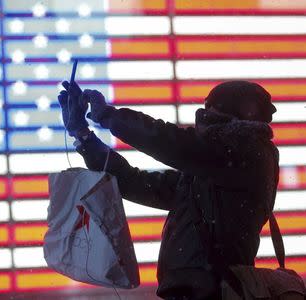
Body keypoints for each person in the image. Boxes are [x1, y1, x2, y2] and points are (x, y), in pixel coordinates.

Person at [57, 80, 279, 300]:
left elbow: (170, 142)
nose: (204, 128)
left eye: (212, 119)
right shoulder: (213, 170)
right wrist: (83, 135)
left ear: (235, 122)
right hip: (198, 289)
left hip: (216, 290)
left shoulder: (246, 154)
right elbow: (135, 182)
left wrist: (108, 116)